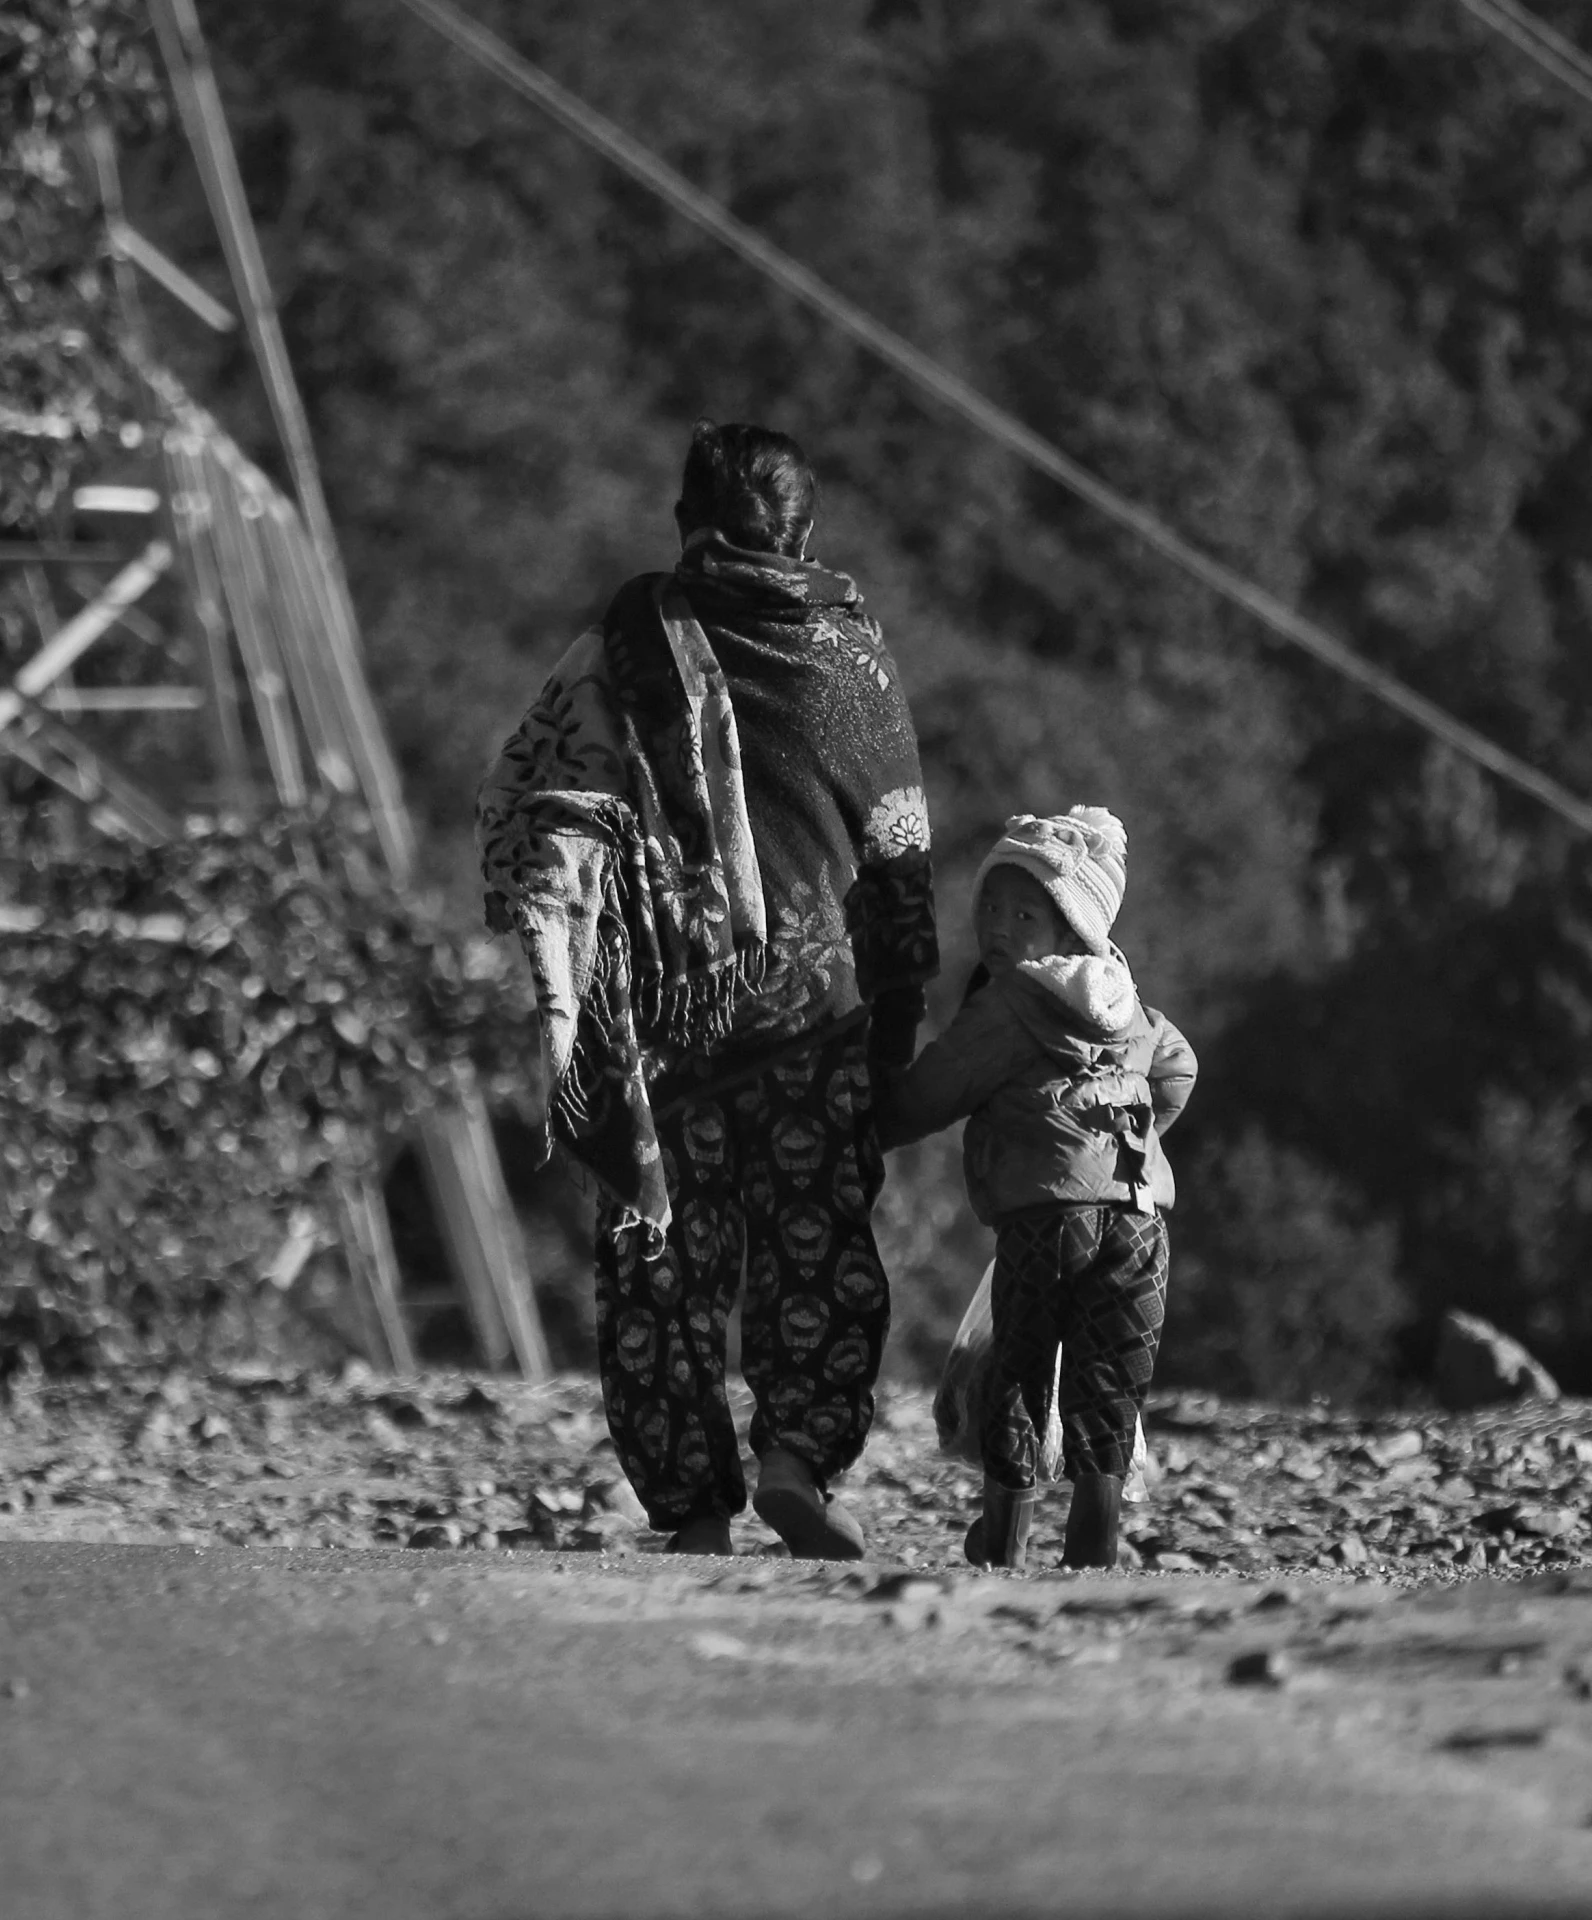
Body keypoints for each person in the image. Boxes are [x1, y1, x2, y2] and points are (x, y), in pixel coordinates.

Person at [478, 420, 938, 1558]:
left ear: (686, 524)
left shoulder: (630, 634)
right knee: (815, 1246)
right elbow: (899, 850)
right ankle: (797, 1459)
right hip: (810, 1020)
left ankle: (691, 1509)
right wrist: (899, 1012)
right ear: (805, 533)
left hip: (655, 1022)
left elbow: (533, 784)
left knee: (660, 1267)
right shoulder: (847, 655)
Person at [876, 806, 1195, 1569]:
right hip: (1141, 1220)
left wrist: (863, 1125)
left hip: (1047, 1220)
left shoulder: (1012, 1005)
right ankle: (1094, 1538)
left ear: (1071, 928)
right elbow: (1179, 1070)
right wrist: (1139, 1142)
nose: (1000, 925)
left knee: (1019, 1372)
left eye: (1025, 913)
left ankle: (1006, 1538)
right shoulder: (1131, 1005)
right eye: (991, 904)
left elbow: (933, 1091)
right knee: (1109, 1378)